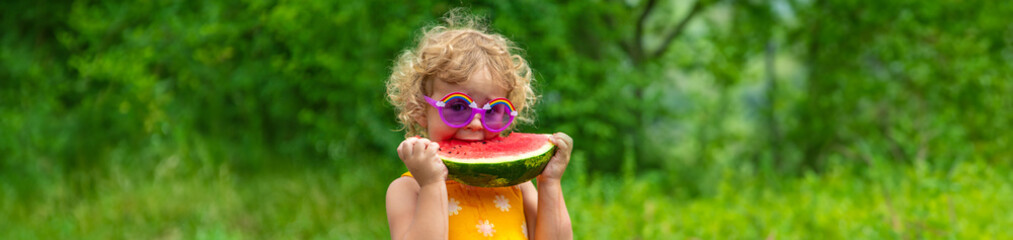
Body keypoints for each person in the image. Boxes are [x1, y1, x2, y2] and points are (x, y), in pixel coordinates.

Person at [384, 9, 574, 240]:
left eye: (493, 110)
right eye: (457, 107)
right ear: (420, 110)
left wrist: (550, 182)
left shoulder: (518, 186)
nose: (475, 123)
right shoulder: (408, 189)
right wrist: (432, 185)